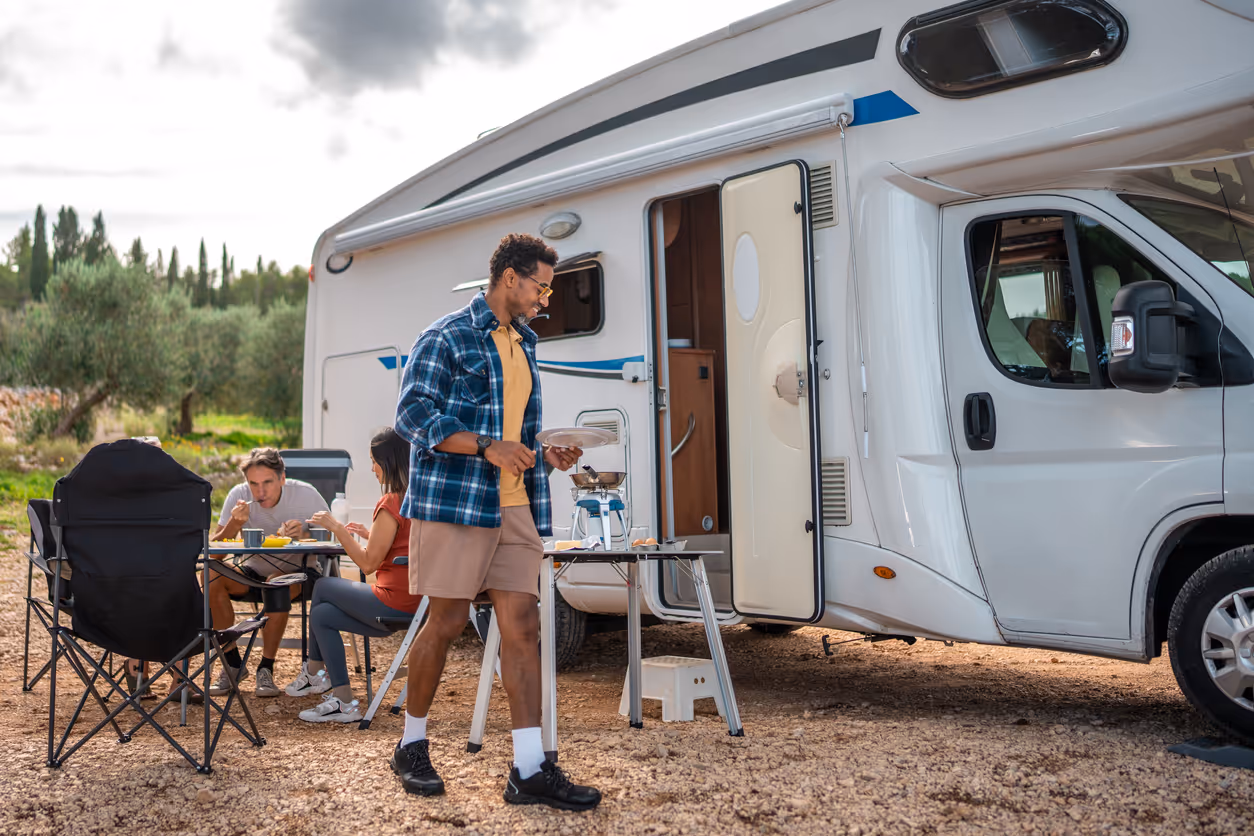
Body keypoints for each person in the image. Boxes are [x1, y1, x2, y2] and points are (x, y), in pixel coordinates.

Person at [392, 233, 599, 811]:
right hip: (457, 501)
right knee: (448, 620)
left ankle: (529, 768)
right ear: (511, 277)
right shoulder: (446, 336)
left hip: (514, 503)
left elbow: (514, 427)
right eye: (541, 286)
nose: (545, 299)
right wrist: (488, 447)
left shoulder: (524, 344)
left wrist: (542, 450)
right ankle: (411, 745)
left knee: (524, 627)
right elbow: (412, 415)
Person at [282, 427, 423, 724]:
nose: (372, 468)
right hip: (420, 601)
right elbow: (406, 545)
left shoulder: (391, 502)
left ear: (388, 462)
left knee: (321, 585)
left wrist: (337, 528)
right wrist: (371, 534)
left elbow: (368, 564)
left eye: (374, 461)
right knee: (322, 615)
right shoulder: (419, 497)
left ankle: (314, 674)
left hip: (393, 601)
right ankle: (344, 703)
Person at [202, 447, 329, 698]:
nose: (260, 492)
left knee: (276, 581)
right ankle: (233, 664)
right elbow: (214, 555)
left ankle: (266, 668)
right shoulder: (238, 496)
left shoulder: (306, 495)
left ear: (282, 478)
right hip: (252, 571)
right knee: (211, 575)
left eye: (268, 482)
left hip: (300, 573)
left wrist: (304, 534)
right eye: (253, 484)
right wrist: (234, 524)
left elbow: (333, 537)